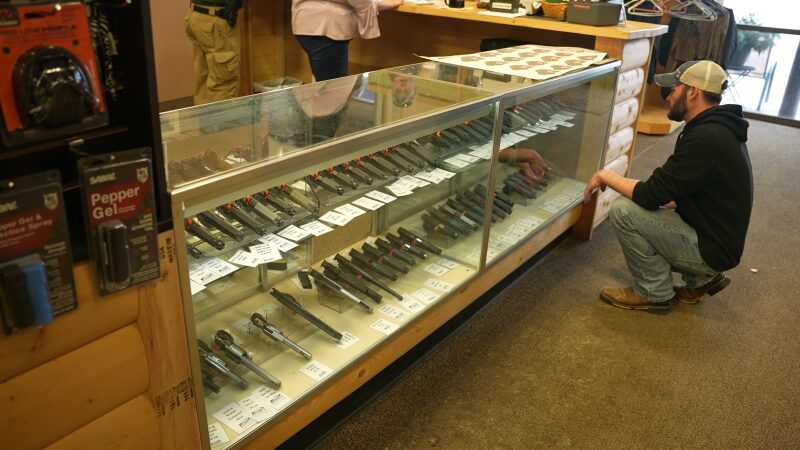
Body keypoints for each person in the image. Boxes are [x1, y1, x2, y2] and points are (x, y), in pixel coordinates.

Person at [582, 60, 753, 312]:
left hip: (712, 249)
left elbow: (650, 195)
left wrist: (605, 176)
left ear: (692, 92)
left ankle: (654, 293)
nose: (667, 96)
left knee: (624, 211)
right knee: (650, 205)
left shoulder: (705, 139)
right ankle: (701, 280)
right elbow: (676, 190)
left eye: (673, 89)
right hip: (718, 240)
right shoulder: (717, 129)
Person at [291, 0, 405, 82]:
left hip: (308, 23)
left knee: (325, 87)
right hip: (326, 27)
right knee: (333, 93)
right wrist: (377, 3)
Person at [185, 0, 244, 105]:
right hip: (216, 20)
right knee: (224, 83)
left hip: (197, 14)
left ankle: (205, 120)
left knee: (203, 80)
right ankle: (221, 121)